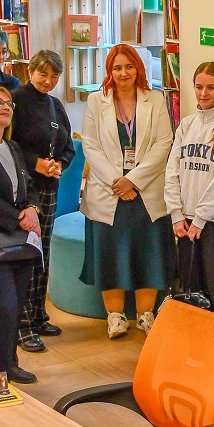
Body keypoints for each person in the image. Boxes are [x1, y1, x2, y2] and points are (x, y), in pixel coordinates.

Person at [80, 44, 176, 339]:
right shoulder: (96, 101)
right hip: (108, 190)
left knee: (149, 253)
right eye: (117, 67)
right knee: (110, 253)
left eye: (129, 67)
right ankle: (115, 317)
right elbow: (90, 145)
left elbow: (164, 142)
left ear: (139, 69)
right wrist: (117, 182)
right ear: (109, 71)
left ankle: (146, 315)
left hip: (145, 190)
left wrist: (132, 180)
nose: (123, 73)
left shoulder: (155, 99)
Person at [164, 61, 214, 383]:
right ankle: (196, 355)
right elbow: (172, 171)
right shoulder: (186, 125)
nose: (203, 93)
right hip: (185, 223)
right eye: (199, 87)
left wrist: (200, 218)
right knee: (190, 291)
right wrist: (176, 214)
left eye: (211, 87)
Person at [10, 50, 76, 353]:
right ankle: (21, 325)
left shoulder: (55, 105)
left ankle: (38, 315)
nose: (48, 81)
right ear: (30, 72)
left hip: (49, 186)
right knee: (25, 251)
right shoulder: (16, 100)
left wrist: (59, 164)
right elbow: (7, 145)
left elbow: (68, 146)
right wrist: (35, 163)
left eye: (54, 76)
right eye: (43, 74)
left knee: (42, 251)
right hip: (23, 189)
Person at [0, 87, 40, 385]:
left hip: (21, 240)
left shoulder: (13, 147)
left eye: (9, 104)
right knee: (3, 306)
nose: (6, 107)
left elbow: (29, 186)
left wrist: (33, 209)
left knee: (16, 305)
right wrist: (18, 218)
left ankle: (10, 364)